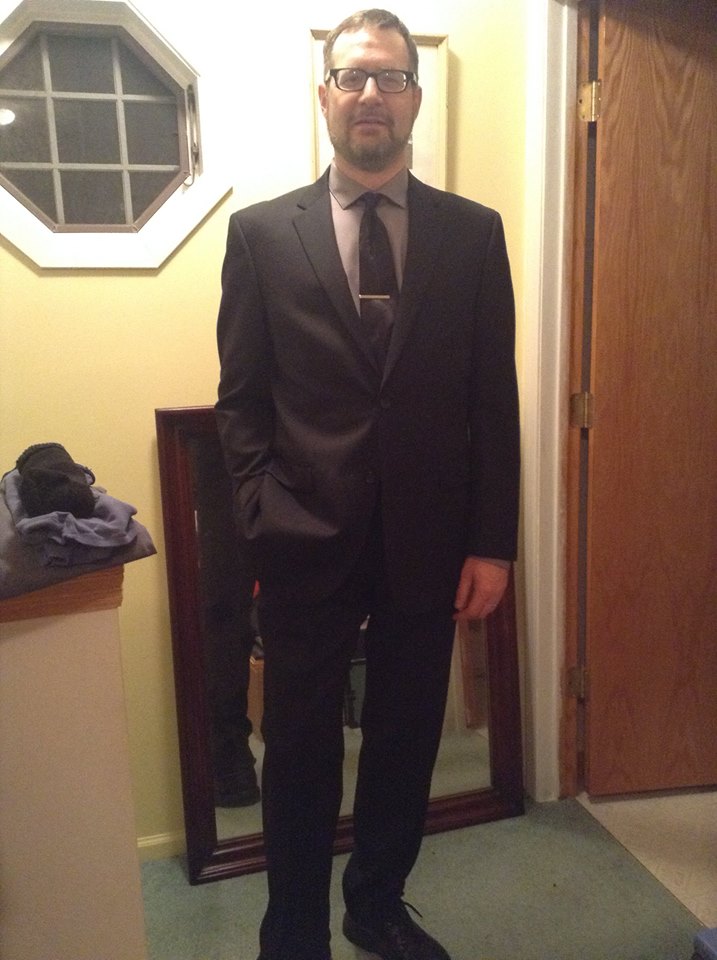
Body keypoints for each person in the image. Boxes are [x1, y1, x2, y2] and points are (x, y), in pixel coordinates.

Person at [215, 9, 520, 960]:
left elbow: (492, 400)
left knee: (404, 734)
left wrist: (492, 542)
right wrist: (259, 508)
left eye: (390, 77)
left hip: (430, 540)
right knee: (299, 743)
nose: (371, 95)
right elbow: (241, 397)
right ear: (325, 96)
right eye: (352, 77)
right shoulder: (260, 234)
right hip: (302, 533)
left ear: (415, 97)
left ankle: (376, 904)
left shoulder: (473, 234)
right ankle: (294, 927)